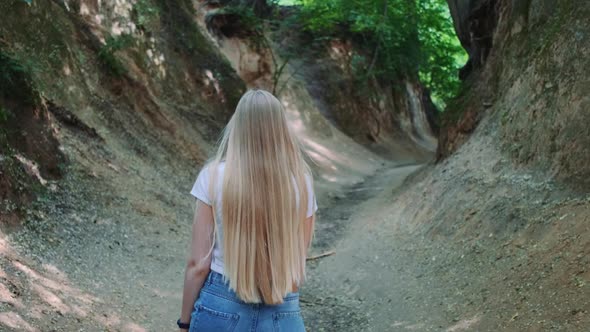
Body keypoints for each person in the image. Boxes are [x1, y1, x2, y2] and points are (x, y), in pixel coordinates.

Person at [178, 90, 318, 331]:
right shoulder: (301, 181)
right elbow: (297, 261)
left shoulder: (212, 177)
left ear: (238, 125)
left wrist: (184, 322)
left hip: (221, 306)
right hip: (281, 307)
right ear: (280, 127)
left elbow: (198, 264)